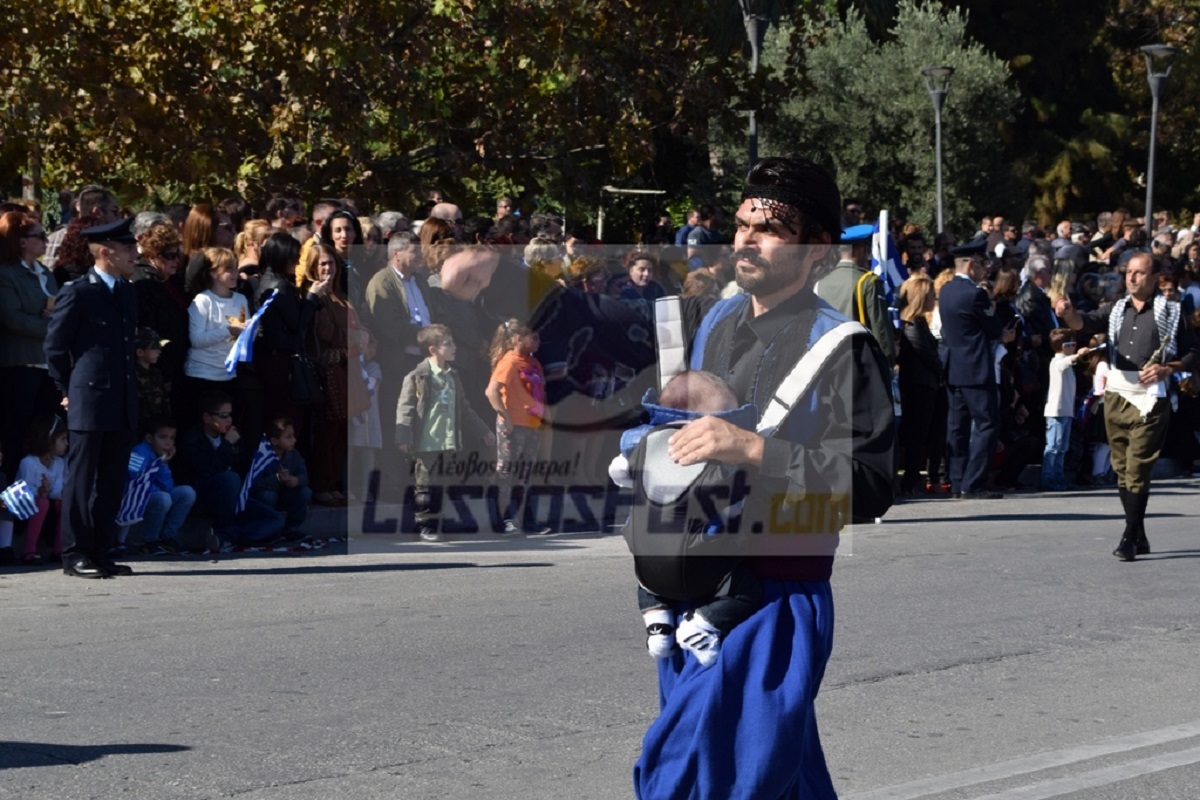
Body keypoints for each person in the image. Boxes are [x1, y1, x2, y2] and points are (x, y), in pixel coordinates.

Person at [632, 156, 894, 800]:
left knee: (693, 775)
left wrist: (753, 449)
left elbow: (871, 486)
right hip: (695, 585)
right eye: (743, 223)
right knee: (774, 779)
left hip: (775, 596)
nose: (746, 238)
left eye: (770, 229)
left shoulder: (845, 347)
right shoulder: (713, 323)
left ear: (819, 253)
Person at [608, 370, 763, 667]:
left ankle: (658, 626)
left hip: (650, 566)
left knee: (646, 581)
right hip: (701, 566)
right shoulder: (718, 457)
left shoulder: (644, 444)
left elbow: (618, 472)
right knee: (746, 591)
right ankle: (703, 624)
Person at [1056, 252, 1200, 560]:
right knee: (1121, 469)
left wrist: (1168, 368)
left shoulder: (1172, 312)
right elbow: (1085, 321)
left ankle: (1129, 536)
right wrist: (1068, 314)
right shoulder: (1116, 309)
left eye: (1139, 273)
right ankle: (1139, 531)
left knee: (1137, 468)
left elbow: (1192, 353)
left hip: (1151, 396)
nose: (1132, 277)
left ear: (1153, 279)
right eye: (1129, 272)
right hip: (1118, 392)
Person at [43, 217, 140, 578]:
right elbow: (55, 347)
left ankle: (101, 549)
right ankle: (75, 553)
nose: (134, 254)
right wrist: (66, 390)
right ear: (105, 252)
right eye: (127, 248)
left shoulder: (128, 291)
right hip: (89, 398)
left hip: (121, 398)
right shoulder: (78, 291)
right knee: (82, 481)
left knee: (112, 480)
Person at [396, 324, 493, 542]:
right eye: (448, 343)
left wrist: (483, 431)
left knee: (442, 484)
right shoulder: (417, 376)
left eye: (453, 342)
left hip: (447, 442)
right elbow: (406, 407)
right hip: (425, 442)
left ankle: (437, 521)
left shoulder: (453, 376)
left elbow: (465, 409)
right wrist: (402, 436)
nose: (454, 347)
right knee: (424, 485)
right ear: (432, 350)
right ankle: (424, 524)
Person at [939, 250, 1016, 499]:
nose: (985, 270)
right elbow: (994, 329)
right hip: (975, 367)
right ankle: (973, 483)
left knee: (957, 427)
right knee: (986, 425)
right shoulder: (975, 294)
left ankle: (957, 480)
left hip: (954, 367)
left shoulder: (947, 290)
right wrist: (1003, 335)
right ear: (971, 264)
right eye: (983, 265)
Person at [179, 390, 284, 548]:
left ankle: (225, 537)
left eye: (230, 415)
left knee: (275, 519)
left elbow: (243, 469)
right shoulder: (193, 440)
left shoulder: (231, 436)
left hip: (235, 498)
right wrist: (227, 446)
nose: (229, 420)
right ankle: (227, 531)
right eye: (223, 416)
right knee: (230, 478)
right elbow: (208, 471)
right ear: (207, 417)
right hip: (206, 496)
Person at [0, 211, 62, 468]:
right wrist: (52, 326)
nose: (46, 241)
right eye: (39, 236)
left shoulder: (45, 272)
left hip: (46, 364)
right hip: (20, 364)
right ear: (22, 240)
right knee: (18, 432)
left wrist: (57, 318)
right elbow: (11, 318)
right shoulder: (6, 274)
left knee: (44, 433)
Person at [485, 319, 546, 535]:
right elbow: (491, 391)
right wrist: (505, 416)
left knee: (526, 474)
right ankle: (502, 518)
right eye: (534, 337)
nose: (538, 341)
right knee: (506, 471)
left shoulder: (533, 363)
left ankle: (525, 518)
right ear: (519, 339)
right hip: (513, 426)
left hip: (532, 426)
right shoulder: (509, 362)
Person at [896, 274, 943, 495]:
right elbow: (926, 355)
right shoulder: (911, 326)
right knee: (916, 436)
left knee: (920, 436)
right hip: (918, 386)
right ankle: (909, 481)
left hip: (925, 385)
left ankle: (912, 478)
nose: (934, 298)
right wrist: (942, 370)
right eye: (930, 294)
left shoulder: (919, 323)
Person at [125, 417, 195, 554]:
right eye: (163, 437)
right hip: (133, 501)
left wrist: (163, 464)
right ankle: (149, 541)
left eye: (171, 438)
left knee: (187, 492)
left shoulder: (161, 455)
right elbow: (137, 483)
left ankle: (167, 536)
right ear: (149, 438)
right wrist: (158, 489)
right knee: (163, 498)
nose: (168, 443)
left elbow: (168, 487)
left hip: (154, 497)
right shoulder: (138, 453)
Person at [1040, 329, 1090, 491]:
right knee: (1053, 447)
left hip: (1066, 412)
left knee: (1062, 448)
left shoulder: (1068, 363)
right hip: (1056, 412)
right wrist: (1079, 354)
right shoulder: (1057, 362)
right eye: (1073, 345)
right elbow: (1065, 362)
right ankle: (1047, 479)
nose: (1075, 347)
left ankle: (1058, 479)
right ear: (1064, 346)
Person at [16, 415, 67, 565]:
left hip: (45, 506)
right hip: (25, 507)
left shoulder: (59, 463)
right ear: (49, 440)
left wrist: (63, 493)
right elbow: (22, 491)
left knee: (65, 504)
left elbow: (56, 490)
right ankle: (29, 551)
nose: (67, 443)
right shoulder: (29, 462)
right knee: (42, 502)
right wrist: (39, 492)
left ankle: (59, 550)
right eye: (63, 439)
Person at [249, 417, 312, 541]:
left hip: (286, 496)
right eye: (288, 437)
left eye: (293, 436)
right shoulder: (261, 456)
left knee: (305, 492)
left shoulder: (294, 455)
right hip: (265, 498)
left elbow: (304, 476)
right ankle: (266, 529)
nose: (294, 440)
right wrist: (277, 478)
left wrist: (296, 480)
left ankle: (291, 529)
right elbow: (255, 485)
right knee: (268, 495)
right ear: (274, 440)